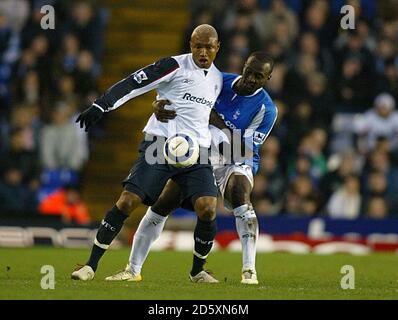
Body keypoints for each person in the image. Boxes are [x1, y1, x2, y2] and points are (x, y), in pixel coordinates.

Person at [106, 52, 278, 284]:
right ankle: (132, 269)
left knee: (239, 193)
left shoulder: (267, 109)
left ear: (268, 79)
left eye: (259, 77)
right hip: (200, 151)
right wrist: (157, 105)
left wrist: (211, 118)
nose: (251, 79)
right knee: (162, 204)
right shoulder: (219, 81)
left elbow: (242, 150)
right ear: (243, 66)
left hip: (233, 157)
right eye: (249, 72)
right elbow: (182, 101)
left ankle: (249, 270)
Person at [71, 24, 223, 283]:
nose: (203, 52)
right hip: (160, 145)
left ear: (217, 47)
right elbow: (134, 82)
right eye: (198, 46)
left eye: (209, 47)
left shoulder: (219, 79)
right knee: (128, 201)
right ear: (190, 45)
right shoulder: (173, 66)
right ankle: (90, 266)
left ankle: (198, 271)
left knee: (208, 208)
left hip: (197, 151)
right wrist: (102, 105)